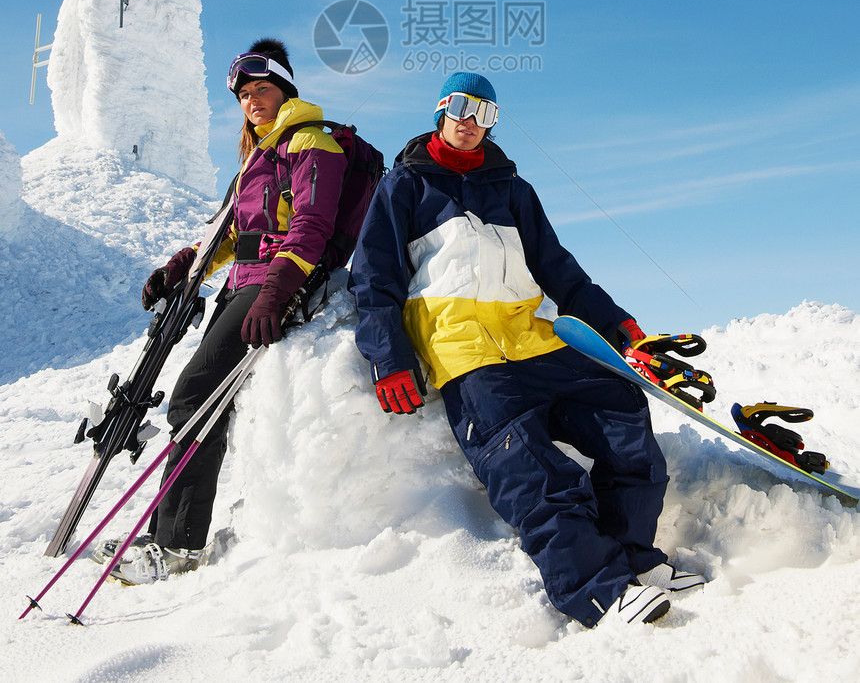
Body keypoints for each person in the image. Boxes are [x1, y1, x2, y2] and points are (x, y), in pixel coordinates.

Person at [350, 72, 704, 629]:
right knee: (526, 464)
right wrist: (388, 357)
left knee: (624, 413)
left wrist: (616, 321)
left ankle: (634, 556)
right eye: (463, 109)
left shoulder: (513, 189)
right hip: (467, 353)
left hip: (535, 340)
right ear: (441, 109)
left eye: (485, 114)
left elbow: (558, 268)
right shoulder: (405, 186)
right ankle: (596, 587)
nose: (472, 123)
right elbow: (374, 280)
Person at [96, 38, 346, 584]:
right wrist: (182, 268)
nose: (253, 100)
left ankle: (179, 547)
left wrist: (277, 293)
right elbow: (230, 234)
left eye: (263, 89)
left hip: (276, 287)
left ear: (285, 90)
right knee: (196, 403)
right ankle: (165, 535)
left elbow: (311, 227)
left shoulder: (312, 144)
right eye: (245, 94)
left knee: (194, 398)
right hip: (240, 285)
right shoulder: (257, 158)